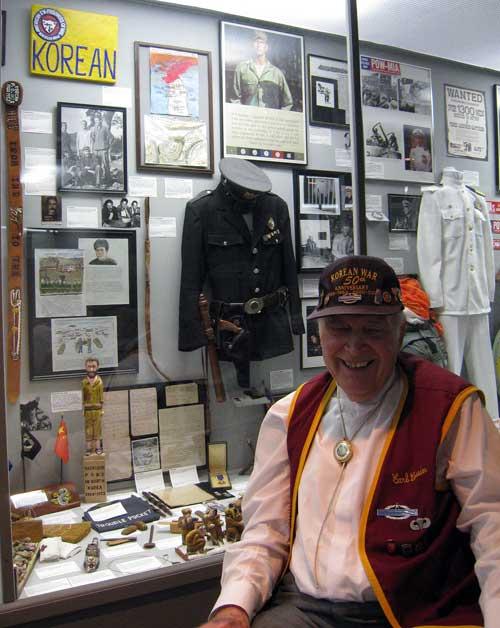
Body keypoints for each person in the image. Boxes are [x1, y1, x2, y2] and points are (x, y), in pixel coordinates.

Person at [201, 255, 500, 628]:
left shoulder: (452, 409)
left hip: (415, 611)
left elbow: (493, 525)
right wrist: (233, 609)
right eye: (340, 329)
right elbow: (265, 532)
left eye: (373, 330)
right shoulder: (289, 415)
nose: (354, 347)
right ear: (319, 336)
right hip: (304, 608)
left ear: (400, 332)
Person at [232, 30, 293, 110]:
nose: (258, 45)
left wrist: (278, 119)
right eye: (256, 42)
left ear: (266, 47)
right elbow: (234, 98)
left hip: (269, 120)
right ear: (251, 45)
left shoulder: (277, 73)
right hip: (248, 119)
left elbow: (287, 103)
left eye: (261, 42)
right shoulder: (242, 68)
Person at [82, 357, 104, 455]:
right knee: (88, 430)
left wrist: (102, 408)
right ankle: (88, 449)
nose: (91, 369)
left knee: (97, 430)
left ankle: (98, 448)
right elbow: (83, 396)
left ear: (97, 367)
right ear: (86, 367)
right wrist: (83, 408)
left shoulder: (99, 382)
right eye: (89, 366)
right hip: (88, 410)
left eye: (94, 366)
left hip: (97, 409)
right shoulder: (84, 383)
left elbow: (101, 396)